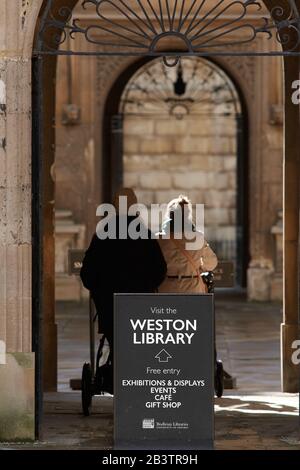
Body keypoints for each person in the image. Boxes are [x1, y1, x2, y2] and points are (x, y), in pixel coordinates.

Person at [80, 188, 167, 356]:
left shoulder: (102, 235)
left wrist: (100, 289)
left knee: (116, 343)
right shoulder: (145, 235)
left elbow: (88, 274)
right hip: (140, 303)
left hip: (109, 305)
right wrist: (146, 288)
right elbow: (159, 270)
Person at [158, 195, 218, 294]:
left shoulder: (158, 239)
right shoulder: (198, 237)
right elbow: (212, 263)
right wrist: (198, 267)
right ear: (187, 215)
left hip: (167, 287)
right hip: (192, 287)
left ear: (170, 215)